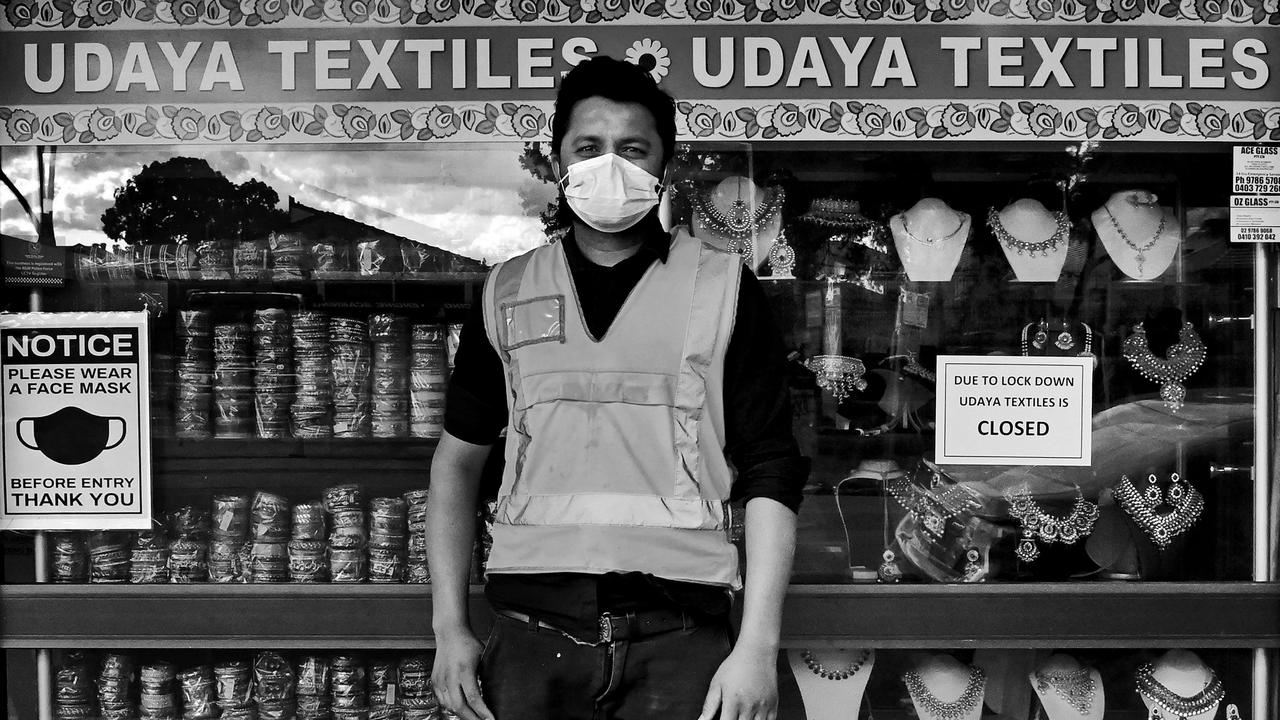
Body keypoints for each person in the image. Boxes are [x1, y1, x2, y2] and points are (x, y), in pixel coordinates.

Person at [427, 55, 809, 720]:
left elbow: (771, 470)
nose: (610, 165)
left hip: (682, 640)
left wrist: (756, 645)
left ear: (666, 164)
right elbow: (457, 465)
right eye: (588, 147)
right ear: (555, 161)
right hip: (529, 636)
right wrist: (448, 627)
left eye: (633, 149)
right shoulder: (507, 290)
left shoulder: (721, 287)